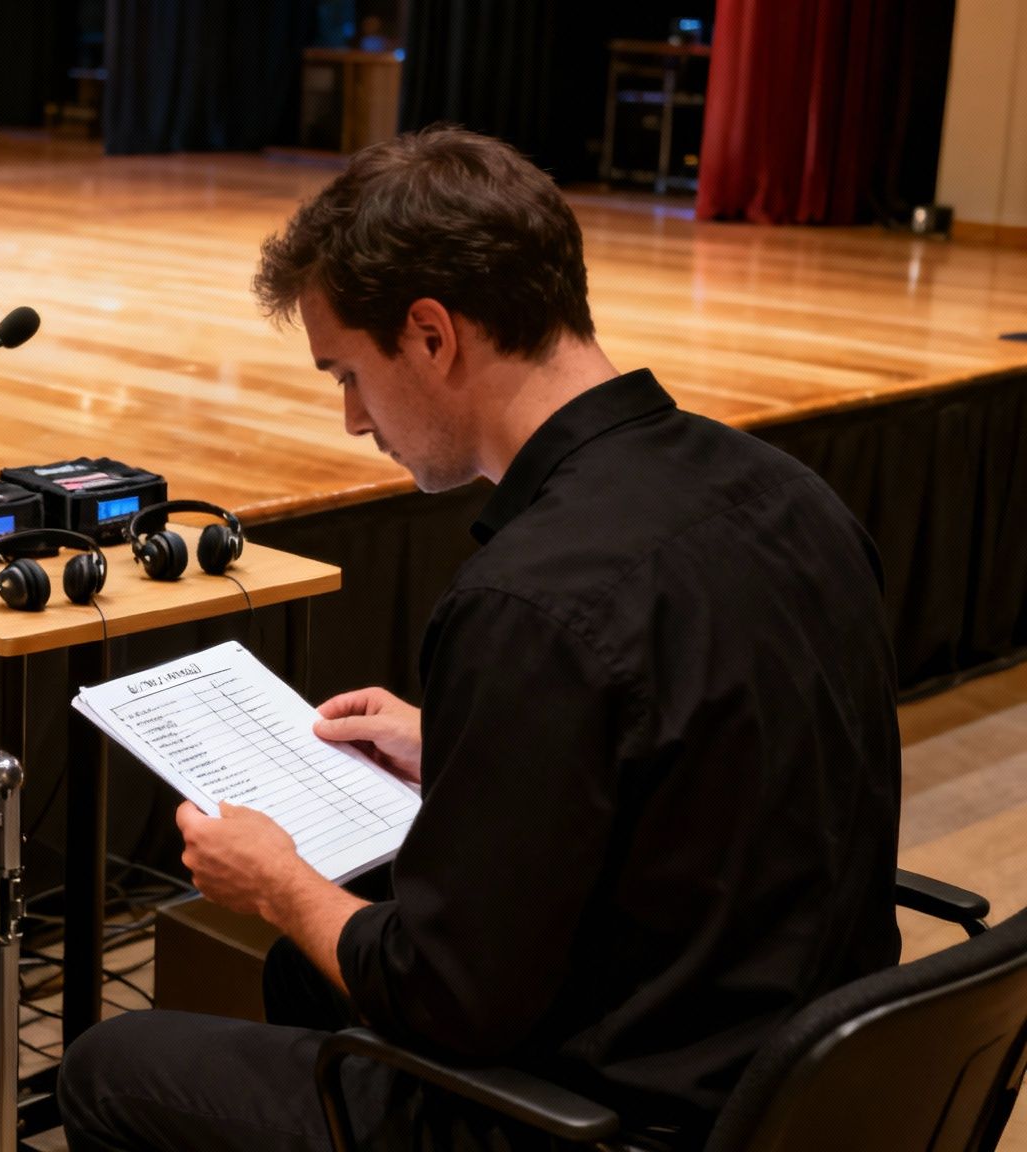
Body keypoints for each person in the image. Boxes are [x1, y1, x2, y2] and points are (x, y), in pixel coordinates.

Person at [56, 126, 902, 1151]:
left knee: (111, 1066)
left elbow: (443, 998)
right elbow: (707, 758)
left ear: (428, 334)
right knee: (299, 973)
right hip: (812, 1086)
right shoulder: (791, 494)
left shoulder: (528, 599)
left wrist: (277, 883)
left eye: (348, 375)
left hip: (611, 1122)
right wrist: (469, 741)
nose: (351, 423)